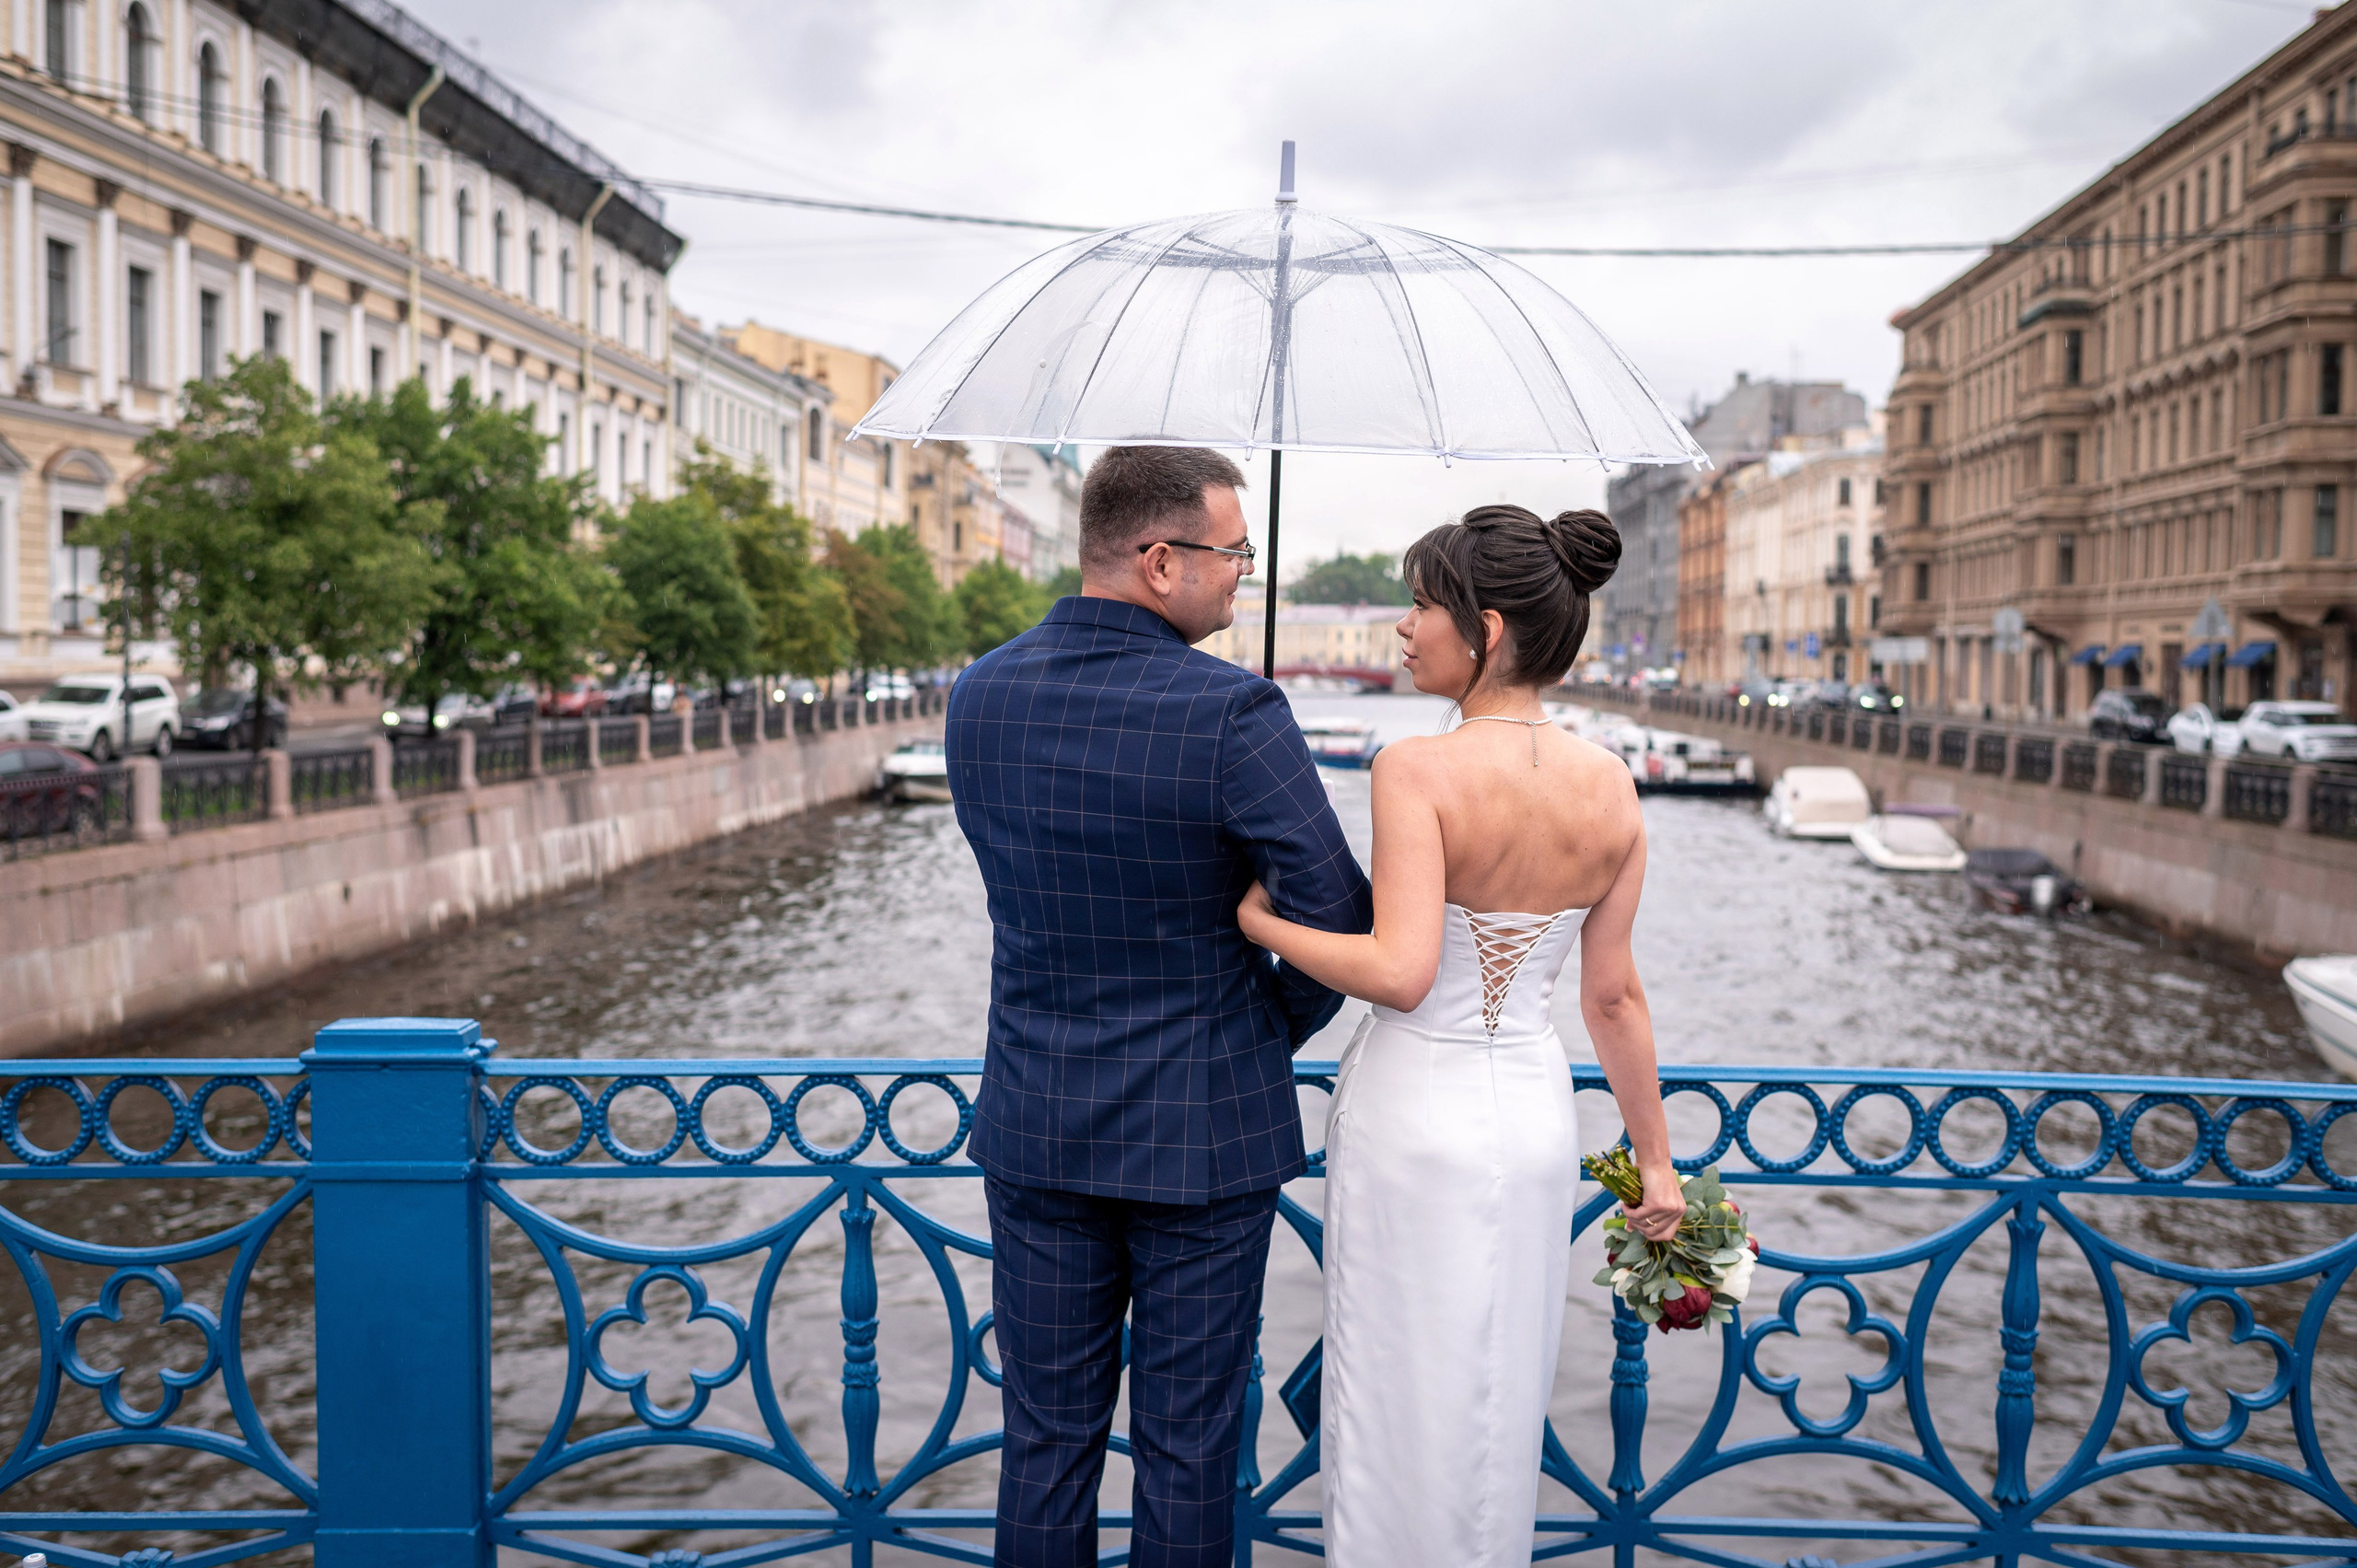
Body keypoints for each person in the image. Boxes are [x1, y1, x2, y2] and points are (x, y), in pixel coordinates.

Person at [945, 445, 1374, 1568]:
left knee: (1045, 1440)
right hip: (1204, 1138)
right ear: (1159, 558)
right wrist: (1256, 1025)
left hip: (1037, 1119)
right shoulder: (1233, 710)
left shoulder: (979, 692)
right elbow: (1338, 918)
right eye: (1233, 553)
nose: (1243, 575)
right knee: (1187, 1449)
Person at [1236, 504, 1685, 1568]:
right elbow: (1613, 998)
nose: (1402, 626)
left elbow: (1400, 972)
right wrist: (1655, 1160)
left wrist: (1262, 923)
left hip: (1413, 1112)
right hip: (1531, 1115)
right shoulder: (1610, 783)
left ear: (1485, 628)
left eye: (1420, 604)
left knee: (1393, 1389)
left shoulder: (1415, 767)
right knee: (1496, 1388)